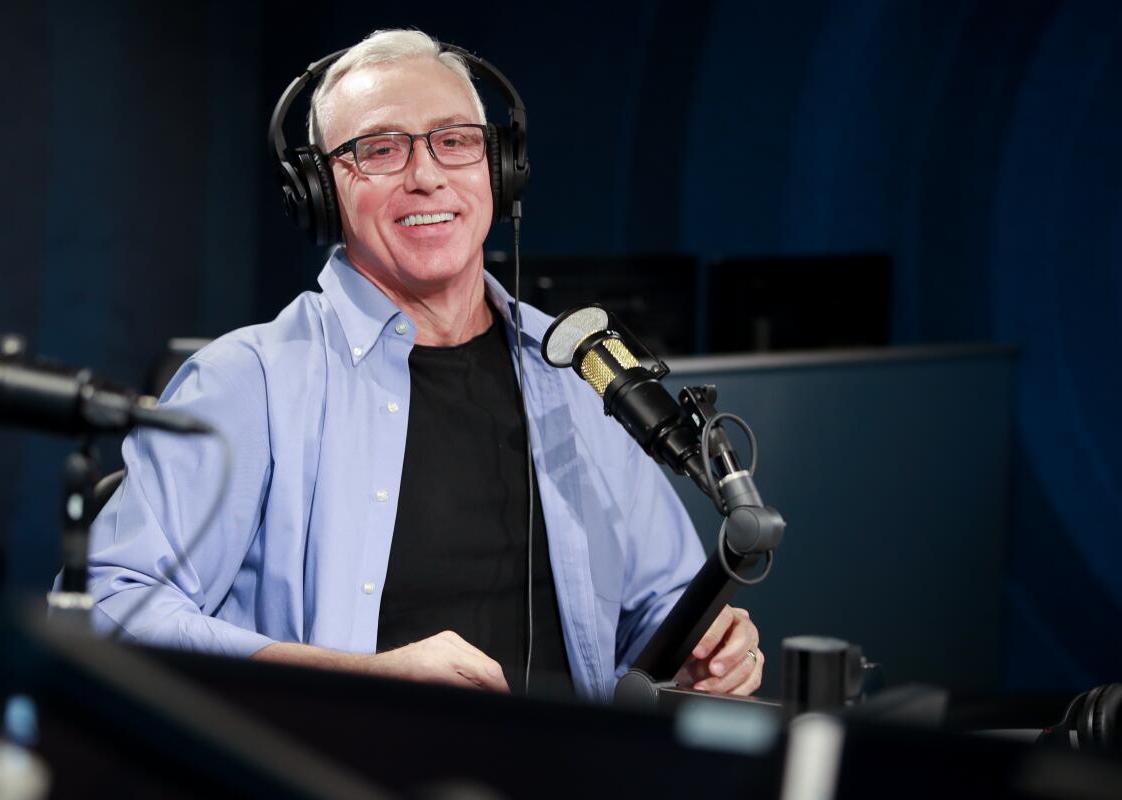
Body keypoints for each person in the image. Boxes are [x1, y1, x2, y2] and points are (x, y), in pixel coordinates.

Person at [85, 29, 763, 701]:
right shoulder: (247, 381)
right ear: (321, 191)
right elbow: (112, 607)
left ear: (501, 168)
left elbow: (659, 601)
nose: (427, 175)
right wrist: (358, 680)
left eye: (456, 140)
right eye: (380, 150)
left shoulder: (580, 371)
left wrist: (704, 647)